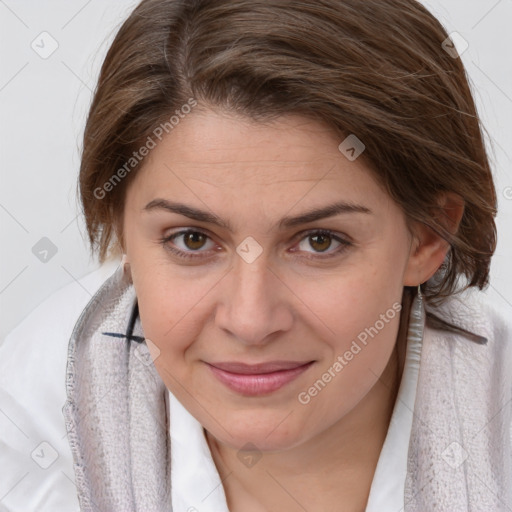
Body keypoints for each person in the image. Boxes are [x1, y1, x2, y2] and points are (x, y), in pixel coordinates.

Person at [1, 0, 511, 510]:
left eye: (319, 241)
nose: (250, 321)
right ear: (123, 232)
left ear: (426, 236)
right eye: (192, 240)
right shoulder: (33, 420)